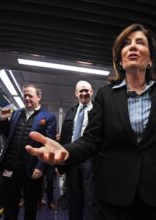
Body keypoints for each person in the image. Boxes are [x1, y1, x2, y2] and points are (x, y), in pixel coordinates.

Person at [26, 23, 156, 220]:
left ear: (150, 59)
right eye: (126, 43)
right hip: (116, 198)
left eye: (140, 43)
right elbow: (91, 140)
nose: (132, 46)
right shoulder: (105, 96)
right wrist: (67, 152)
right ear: (120, 61)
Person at [0, 84, 57, 220]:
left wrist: (40, 167)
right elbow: (9, 135)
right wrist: (2, 120)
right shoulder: (17, 113)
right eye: (25, 95)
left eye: (30, 95)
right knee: (10, 207)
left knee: (30, 207)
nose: (27, 98)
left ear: (39, 97)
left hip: (32, 169)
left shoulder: (48, 117)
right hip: (11, 166)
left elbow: (49, 144)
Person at [58, 80, 98, 220]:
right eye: (81, 91)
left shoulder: (99, 112)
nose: (84, 93)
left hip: (91, 160)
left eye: (86, 90)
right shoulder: (71, 112)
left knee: (91, 198)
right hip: (72, 159)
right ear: (76, 93)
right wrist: (60, 164)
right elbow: (64, 139)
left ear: (92, 92)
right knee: (73, 197)